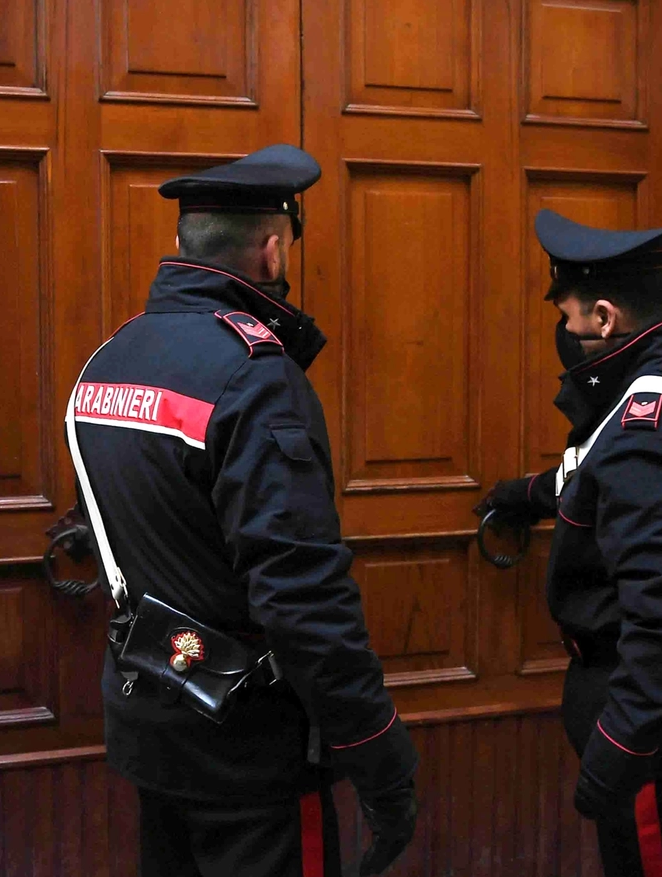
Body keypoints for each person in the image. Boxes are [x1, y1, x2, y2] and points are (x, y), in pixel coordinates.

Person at [66, 145, 418, 877]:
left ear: (181, 244)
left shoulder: (107, 362)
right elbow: (302, 594)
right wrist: (377, 750)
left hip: (153, 722)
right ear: (271, 249)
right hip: (251, 751)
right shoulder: (255, 378)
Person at [475, 210, 662, 877]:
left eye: (568, 316)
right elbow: (609, 478)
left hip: (652, 730)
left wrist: (617, 750)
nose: (564, 332)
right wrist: (528, 494)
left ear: (605, 319)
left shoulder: (644, 432)